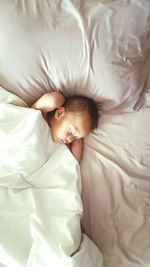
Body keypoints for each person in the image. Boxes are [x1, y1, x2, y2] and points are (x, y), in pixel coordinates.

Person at [31, 92, 99, 161]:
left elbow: (74, 162)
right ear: (59, 113)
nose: (69, 139)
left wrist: (77, 137)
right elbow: (53, 100)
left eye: (75, 138)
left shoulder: (62, 147)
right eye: (70, 131)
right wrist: (61, 99)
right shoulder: (40, 116)